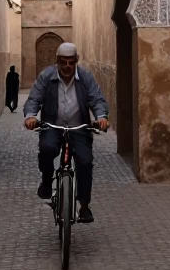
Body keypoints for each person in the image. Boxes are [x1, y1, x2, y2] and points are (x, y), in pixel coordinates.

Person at [23, 42, 109, 224]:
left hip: (80, 128)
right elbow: (34, 98)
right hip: (53, 126)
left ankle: (84, 205)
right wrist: (30, 116)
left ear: (76, 60)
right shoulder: (46, 76)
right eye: (63, 62)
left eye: (71, 62)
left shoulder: (85, 77)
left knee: (85, 162)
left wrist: (101, 117)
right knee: (46, 149)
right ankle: (47, 181)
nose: (67, 66)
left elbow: (97, 98)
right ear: (57, 62)